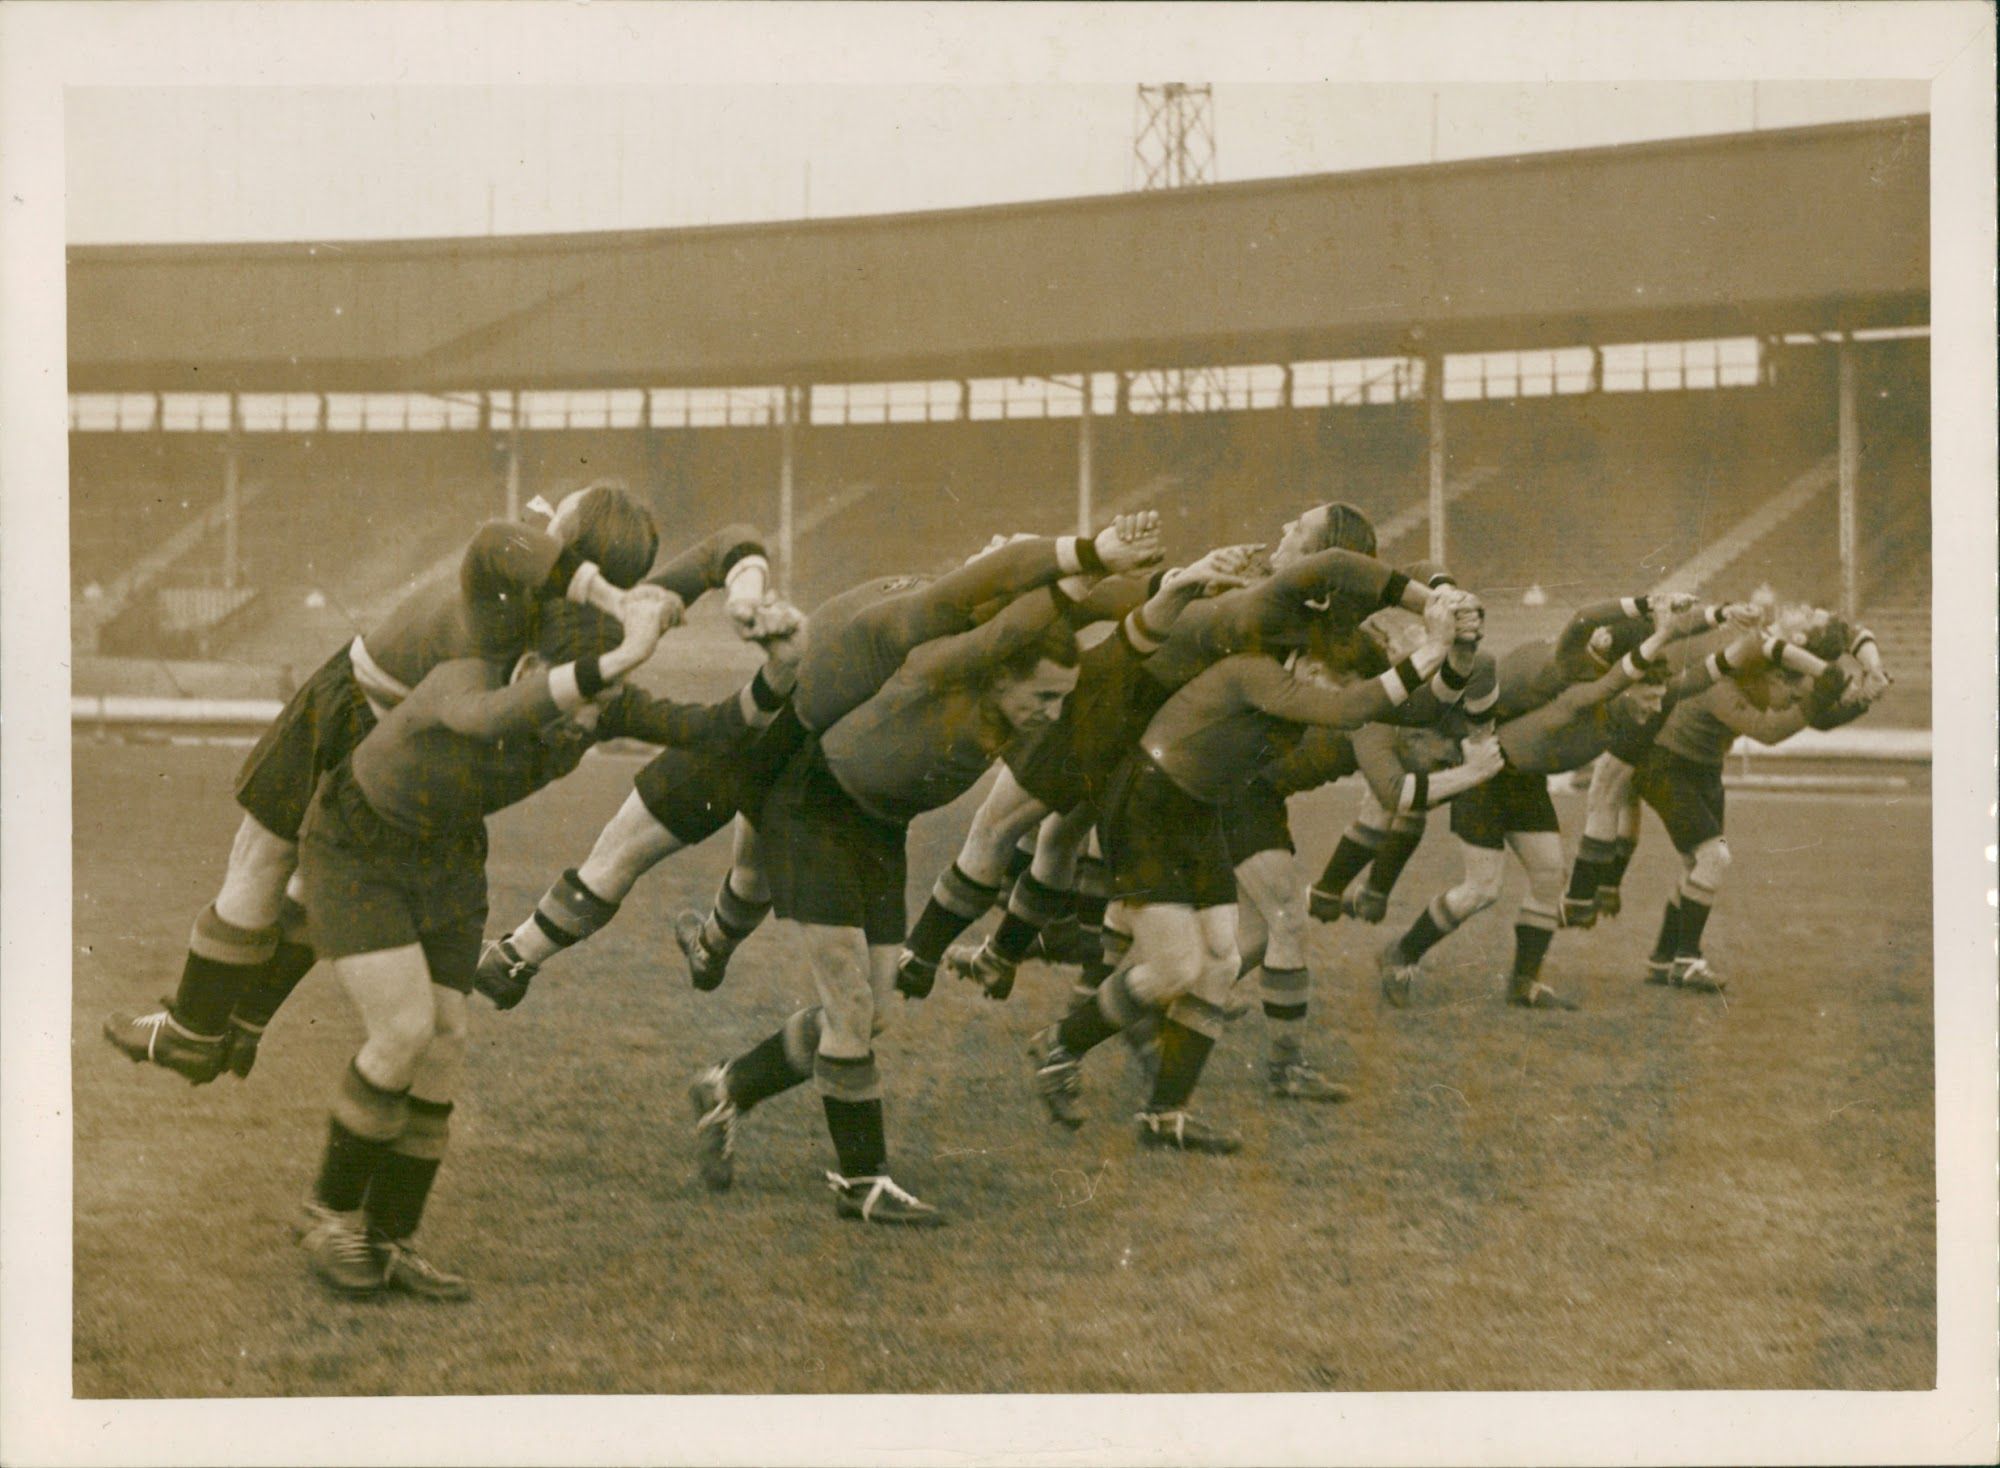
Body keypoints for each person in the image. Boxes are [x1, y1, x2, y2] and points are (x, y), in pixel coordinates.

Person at [294, 584, 806, 1298]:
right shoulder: (465, 680)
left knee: (444, 1047)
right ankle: (328, 1213)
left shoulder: (595, 699)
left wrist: (781, 668)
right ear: (535, 662)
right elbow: (491, 716)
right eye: (591, 692)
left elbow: (721, 726)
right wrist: (624, 650)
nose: (597, 717)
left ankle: (391, 1239)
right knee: (404, 1031)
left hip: (446, 858)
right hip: (359, 848)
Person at [684, 522, 1175, 1227]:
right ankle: (862, 1183)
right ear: (1004, 673)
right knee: (852, 1005)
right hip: (810, 809)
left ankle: (727, 1086)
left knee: (870, 1014)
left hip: (878, 829)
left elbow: (1106, 631)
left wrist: (1173, 587)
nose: (1051, 713)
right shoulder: (940, 667)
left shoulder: (1013, 698)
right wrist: (1085, 560)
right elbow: (1005, 617)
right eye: (1042, 697)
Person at [102, 483, 674, 1084]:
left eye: (565, 511)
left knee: (259, 858)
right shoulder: (577, 621)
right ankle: (246, 1025)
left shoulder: (527, 581)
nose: (551, 508)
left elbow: (500, 542)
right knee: (304, 883)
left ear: (569, 543)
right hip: (393, 727)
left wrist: (574, 560)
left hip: (355, 698)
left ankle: (192, 1032)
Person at [476, 517, 1168, 1004]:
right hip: (800, 753)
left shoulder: (949, 619)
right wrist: (1158, 576)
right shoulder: (959, 607)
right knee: (745, 871)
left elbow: (1057, 590)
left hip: (771, 737)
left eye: (1011, 557)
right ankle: (709, 946)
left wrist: (1095, 560)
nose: (997, 549)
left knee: (634, 852)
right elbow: (1083, 587)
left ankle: (518, 956)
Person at [1028, 587, 1482, 1155]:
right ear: (1314, 662)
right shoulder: (1256, 672)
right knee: (1175, 968)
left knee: (1221, 961)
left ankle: (1165, 1113)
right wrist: (1434, 643)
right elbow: (1350, 709)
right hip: (1150, 804)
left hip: (1200, 811)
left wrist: (1460, 652)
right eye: (1337, 680)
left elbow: (1406, 709)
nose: (1340, 697)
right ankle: (1059, 1046)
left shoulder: (1300, 681)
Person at [1376, 600, 1765, 1009]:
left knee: (1548, 879)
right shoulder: (1584, 698)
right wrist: (1665, 630)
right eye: (1648, 698)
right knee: (1482, 889)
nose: (1655, 708)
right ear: (1626, 687)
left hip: (1525, 783)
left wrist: (1736, 624)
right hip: (1485, 779)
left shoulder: (1632, 702)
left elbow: (1707, 673)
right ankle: (1401, 955)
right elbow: (1614, 674)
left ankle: (1524, 985)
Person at [1629, 609, 1878, 992]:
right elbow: (1769, 730)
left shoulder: (1771, 666)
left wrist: (1863, 695)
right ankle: (1686, 961)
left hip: (1703, 769)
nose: (1791, 696)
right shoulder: (1721, 678)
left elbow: (1818, 716)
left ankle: (1662, 958)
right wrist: (1822, 694)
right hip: (1667, 766)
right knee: (1713, 858)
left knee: (1698, 865)